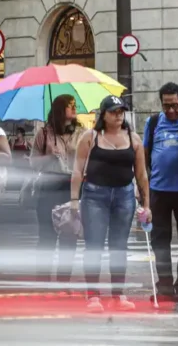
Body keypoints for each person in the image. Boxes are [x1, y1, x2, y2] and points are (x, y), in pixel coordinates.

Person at [71, 95, 150, 312]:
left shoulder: (134, 139)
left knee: (119, 246)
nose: (118, 115)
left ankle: (118, 294)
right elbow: (77, 170)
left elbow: (142, 174)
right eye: (113, 111)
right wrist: (74, 200)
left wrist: (146, 204)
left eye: (121, 111)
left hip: (124, 196)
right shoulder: (90, 137)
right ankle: (93, 295)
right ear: (103, 115)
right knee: (94, 245)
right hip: (94, 196)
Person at [144, 82, 178, 303]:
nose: (171, 111)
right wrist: (143, 189)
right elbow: (145, 155)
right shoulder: (154, 122)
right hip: (158, 190)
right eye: (167, 106)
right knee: (159, 240)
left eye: (175, 105)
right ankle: (164, 284)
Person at [30, 94, 83, 285]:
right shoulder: (44, 134)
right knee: (47, 237)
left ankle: (63, 281)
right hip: (49, 187)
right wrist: (48, 157)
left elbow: (88, 161)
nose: (74, 108)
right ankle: (42, 279)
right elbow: (33, 164)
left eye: (75, 105)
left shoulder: (82, 133)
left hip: (72, 187)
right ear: (60, 109)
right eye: (70, 106)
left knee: (69, 237)